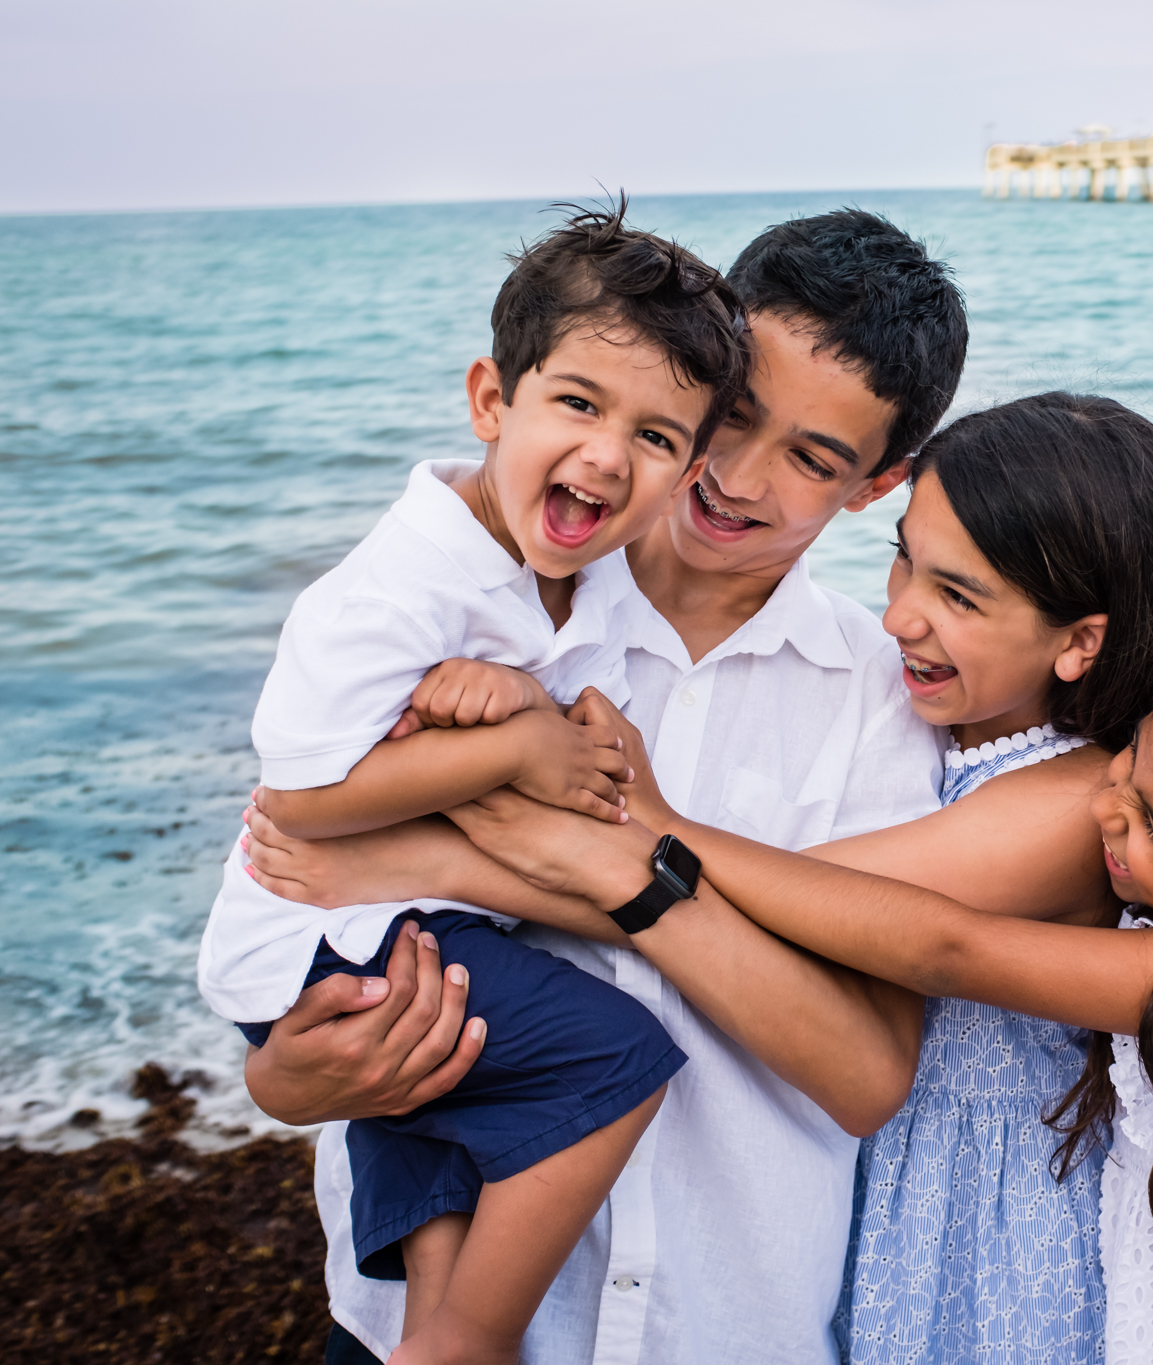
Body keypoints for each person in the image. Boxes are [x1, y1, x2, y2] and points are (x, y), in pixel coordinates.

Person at [253, 392, 1153, 1362]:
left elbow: (835, 914)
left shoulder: (1060, 796)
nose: (897, 616)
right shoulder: (518, 602)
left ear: (1081, 640)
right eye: (904, 561)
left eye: (957, 596)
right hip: (870, 1221)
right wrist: (278, 1067)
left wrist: (608, 841)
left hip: (970, 1231)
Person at [240, 208, 971, 1365]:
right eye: (727, 420)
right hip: (410, 1321)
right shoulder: (482, 614)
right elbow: (303, 879)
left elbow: (867, 1072)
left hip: (724, 1321)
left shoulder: (883, 703)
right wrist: (282, 1080)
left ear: (875, 486)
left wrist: (631, 875)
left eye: (811, 459)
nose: (733, 478)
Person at [448, 642, 1153, 1365]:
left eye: (1150, 822)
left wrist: (663, 833)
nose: (1101, 806)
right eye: (1124, 769)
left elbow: (944, 947)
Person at [196, 204, 750, 1364]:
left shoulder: (586, 591)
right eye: (578, 403)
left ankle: (432, 1338)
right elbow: (298, 804)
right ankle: (476, 1341)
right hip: (317, 928)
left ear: (689, 472)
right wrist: (512, 746)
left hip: (397, 921)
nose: (606, 454)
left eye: (656, 438)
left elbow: (583, 771)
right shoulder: (399, 587)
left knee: (426, 1119)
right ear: (492, 401)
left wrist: (529, 716)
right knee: (616, 1059)